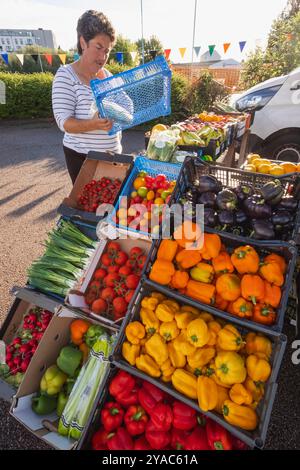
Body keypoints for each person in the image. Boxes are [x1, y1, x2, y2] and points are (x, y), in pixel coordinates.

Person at [52, 10, 122, 184]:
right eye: (98, 48)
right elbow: (65, 123)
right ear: (83, 42)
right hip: (83, 159)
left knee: (112, 208)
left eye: (107, 51)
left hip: (114, 156)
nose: (103, 57)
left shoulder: (108, 75)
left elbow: (123, 107)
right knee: (90, 207)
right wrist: (94, 124)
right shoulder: (66, 75)